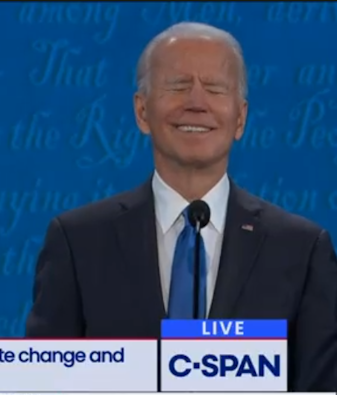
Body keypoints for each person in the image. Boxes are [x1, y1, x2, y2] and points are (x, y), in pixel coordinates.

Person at [25, 22, 337, 391]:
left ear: (240, 118)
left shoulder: (301, 249)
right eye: (177, 86)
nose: (196, 103)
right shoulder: (77, 241)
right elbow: (45, 382)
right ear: (142, 112)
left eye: (216, 89)